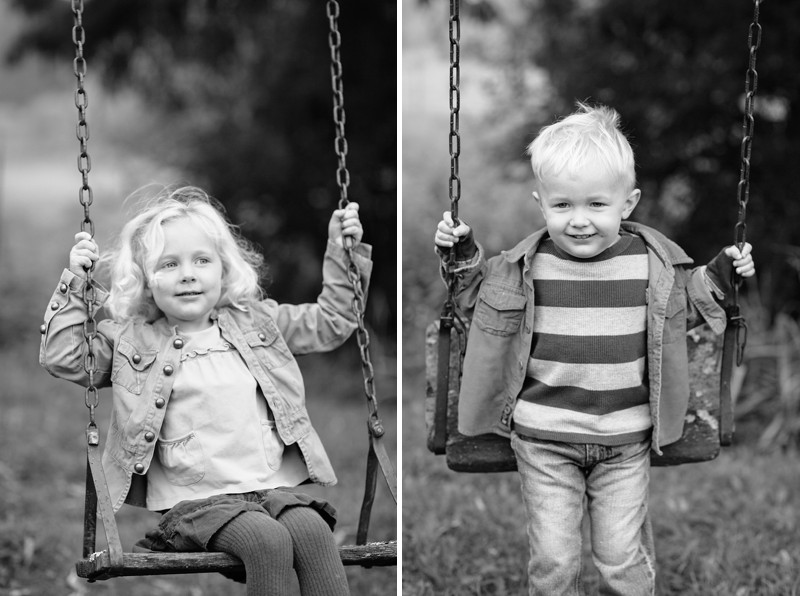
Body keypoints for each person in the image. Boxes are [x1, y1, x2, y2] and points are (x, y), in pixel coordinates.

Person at [433, 102, 755, 595]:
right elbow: (474, 293)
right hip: (544, 440)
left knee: (621, 560)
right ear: (541, 203)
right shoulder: (526, 265)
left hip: (625, 443)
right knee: (555, 562)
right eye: (562, 206)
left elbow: (694, 300)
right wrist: (460, 251)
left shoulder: (653, 265)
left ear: (628, 203)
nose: (579, 221)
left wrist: (724, 272)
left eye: (596, 205)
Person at [40, 186, 372, 595]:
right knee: (265, 541)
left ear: (223, 268)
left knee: (313, 532)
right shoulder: (131, 341)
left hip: (268, 489)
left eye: (201, 260)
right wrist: (76, 282)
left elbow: (334, 321)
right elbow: (64, 356)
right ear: (145, 281)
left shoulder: (256, 323)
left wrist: (343, 251)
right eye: (169, 264)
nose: (188, 274)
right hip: (196, 504)